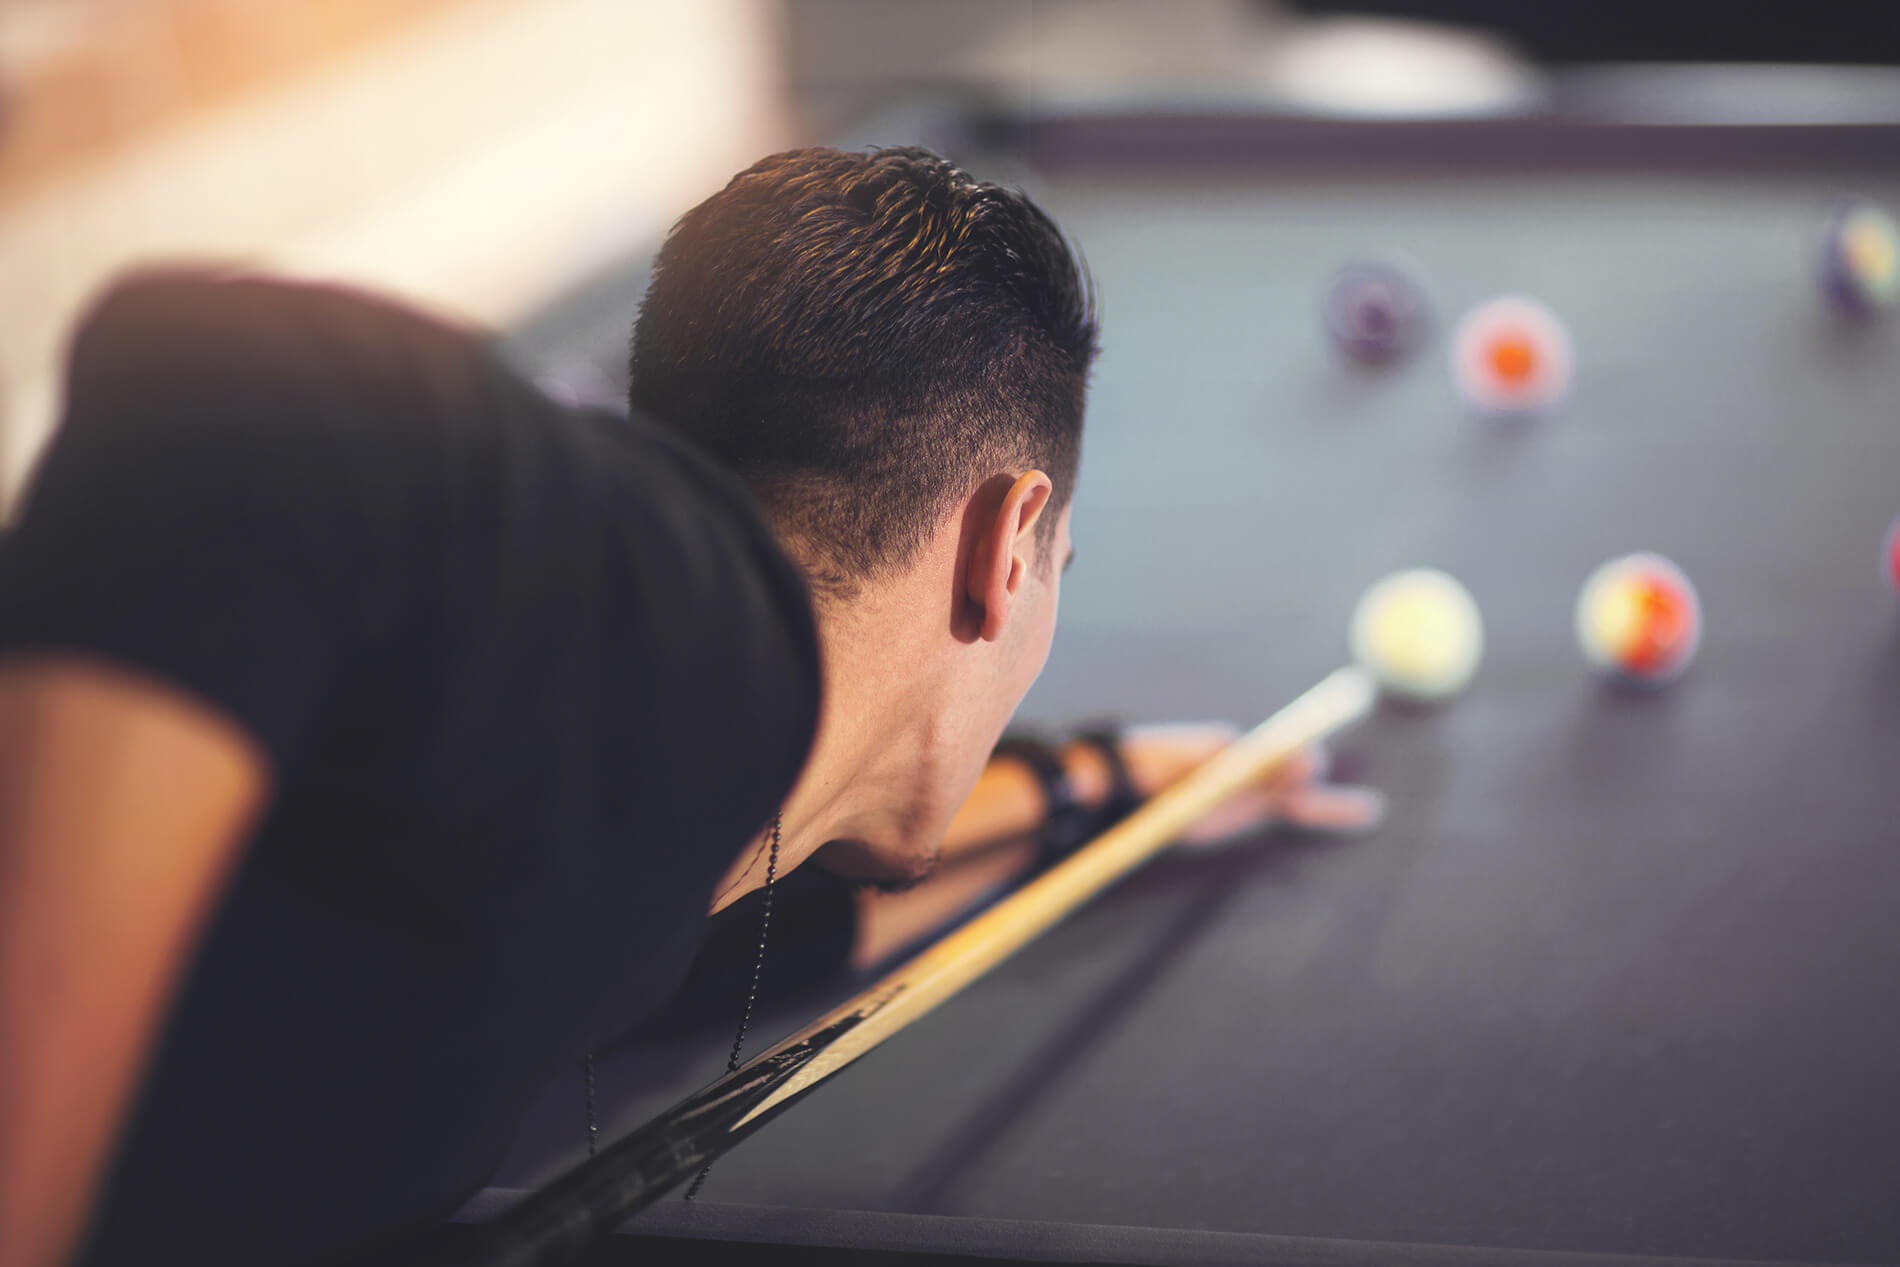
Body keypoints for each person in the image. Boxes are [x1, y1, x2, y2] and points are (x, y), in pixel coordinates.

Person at [0, 146, 1377, 1267]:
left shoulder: (666, 789)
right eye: (1061, 567)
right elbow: (229, 387)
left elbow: (757, 926)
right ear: (1011, 542)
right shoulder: (699, 625)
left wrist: (1102, 785)